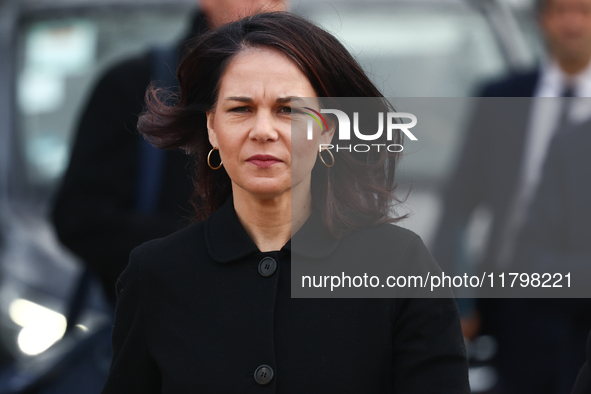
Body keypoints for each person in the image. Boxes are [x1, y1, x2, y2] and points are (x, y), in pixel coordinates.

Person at [101, 12, 469, 393]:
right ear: (212, 127)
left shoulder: (398, 264)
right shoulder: (156, 274)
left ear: (328, 130)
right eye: (240, 109)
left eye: (288, 110)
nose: (263, 131)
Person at [51, 0, 287, 305]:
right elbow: (80, 219)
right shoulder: (134, 85)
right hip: (173, 323)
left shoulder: (320, 87)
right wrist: (212, 248)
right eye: (240, 110)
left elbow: (342, 220)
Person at [432, 0, 591, 391]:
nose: (572, 23)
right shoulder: (501, 96)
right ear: (541, 20)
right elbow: (458, 202)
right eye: (561, 11)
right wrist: (453, 300)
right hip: (513, 297)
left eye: (585, 12)